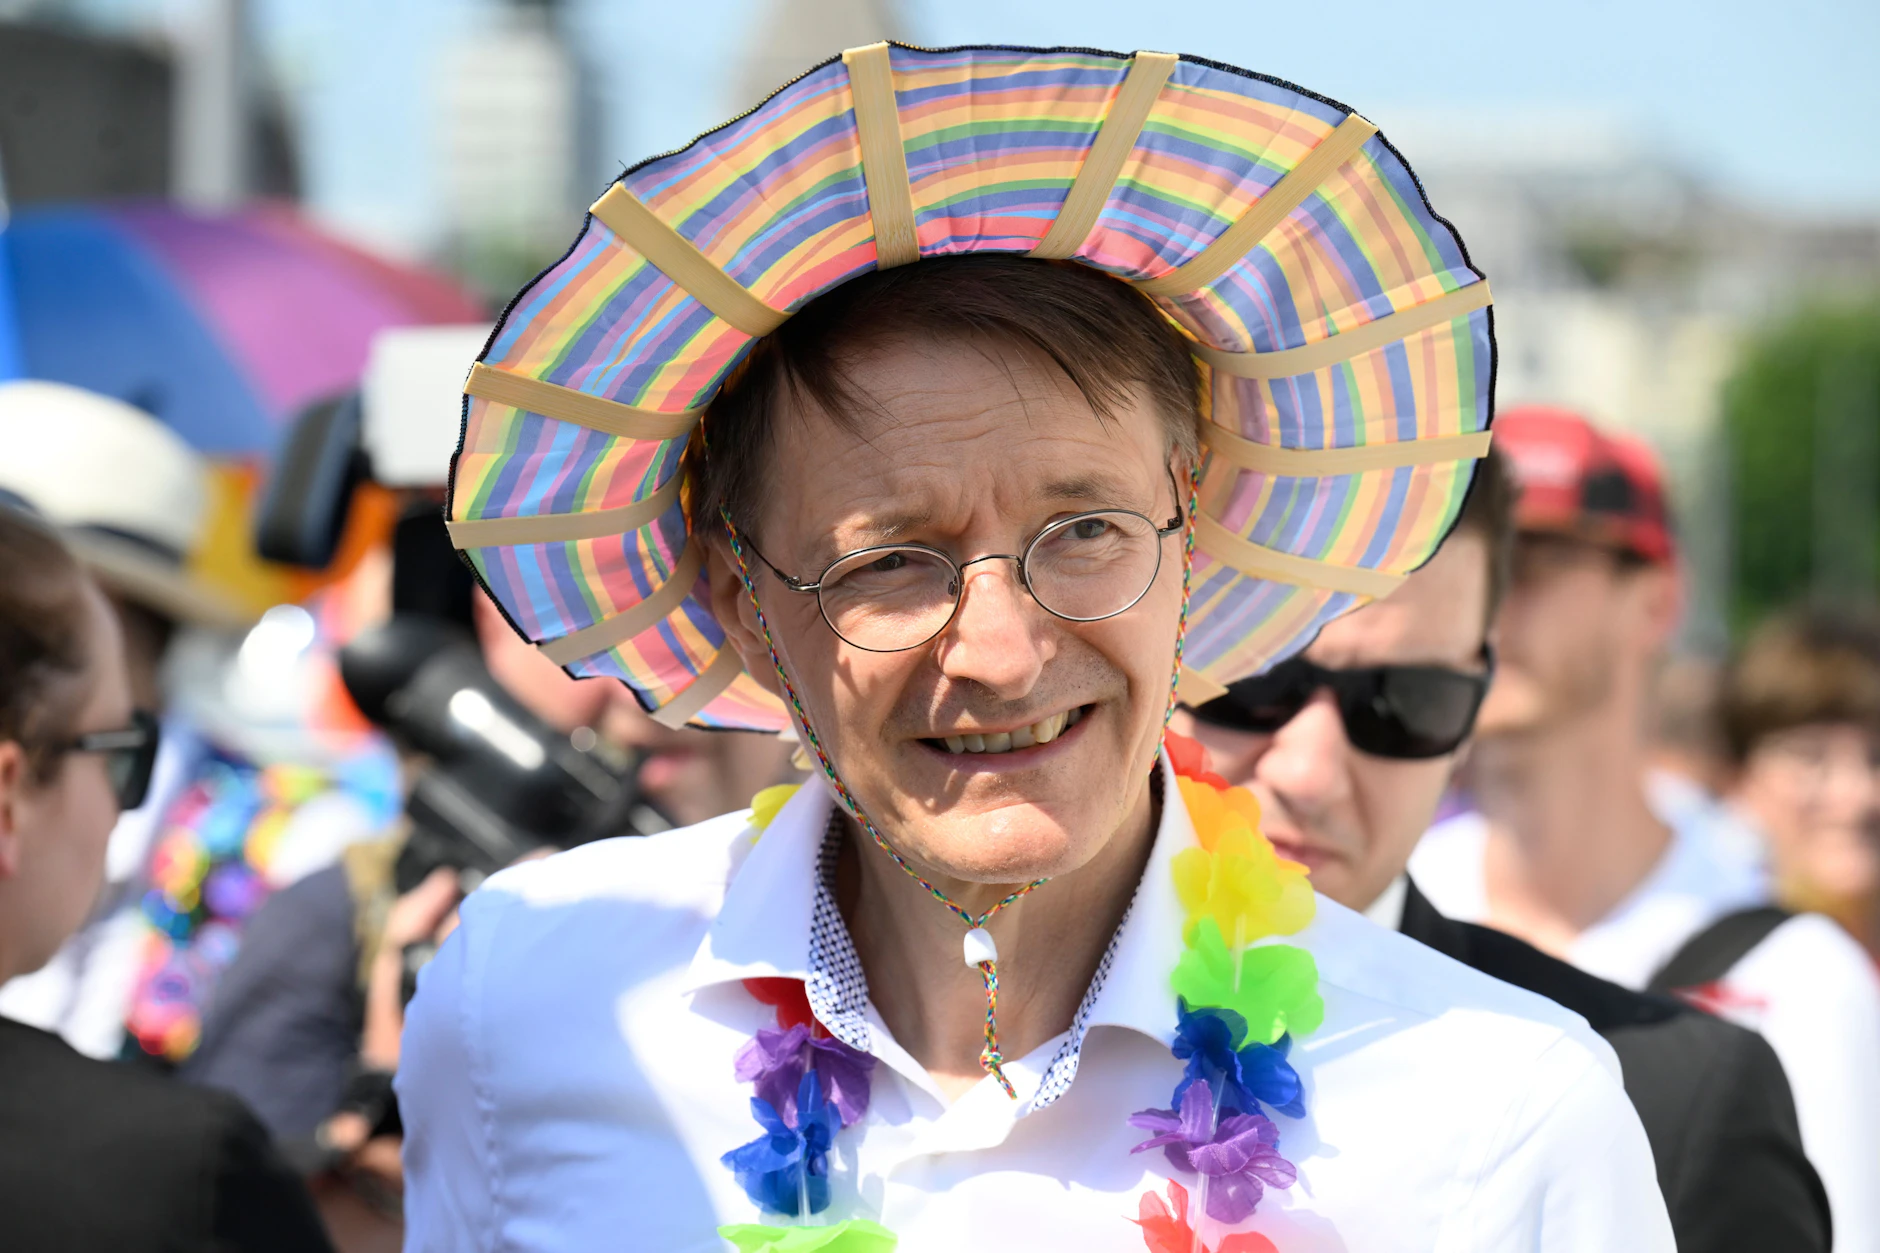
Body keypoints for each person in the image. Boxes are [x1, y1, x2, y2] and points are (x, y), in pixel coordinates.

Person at [399, 45, 1671, 1250]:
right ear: (744, 602)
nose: (1001, 651)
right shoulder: (527, 1001)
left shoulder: (1493, 1113)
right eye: (889, 561)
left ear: (1190, 524)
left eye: (1084, 531)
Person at [1176, 447, 1832, 1250]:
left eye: (1405, 701)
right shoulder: (992, 1024)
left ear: (1474, 709)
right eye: (1256, 678)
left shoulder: (1666, 1094)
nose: (1309, 768)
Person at [1407, 404, 1880, 1250]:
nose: (1487, 601)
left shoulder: (1796, 969)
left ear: (1656, 601)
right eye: (1457, 560)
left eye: (1532, 561)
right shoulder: (1392, 903)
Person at [0, 503, 335, 1252]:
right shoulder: (183, 1173)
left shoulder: (285, 833)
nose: (119, 806)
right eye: (120, 751)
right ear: (9, 797)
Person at [1721, 606, 1880, 955]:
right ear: (1740, 777)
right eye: (1811, 758)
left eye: (1876, 758)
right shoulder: (1699, 965)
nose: (1856, 794)